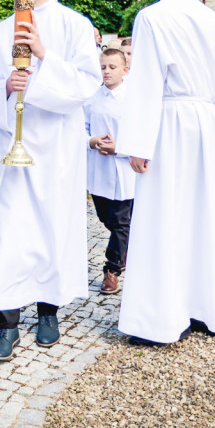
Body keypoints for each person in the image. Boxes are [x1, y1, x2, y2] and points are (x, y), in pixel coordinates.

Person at [0, 0, 101, 361]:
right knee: (11, 229)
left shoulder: (75, 25)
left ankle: (49, 310)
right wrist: (6, 86)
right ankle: (7, 323)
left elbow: (87, 84)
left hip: (59, 146)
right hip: (16, 145)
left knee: (53, 228)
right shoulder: (1, 28)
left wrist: (46, 56)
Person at [117, 0, 215, 345]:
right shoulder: (210, 17)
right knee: (206, 214)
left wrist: (137, 143)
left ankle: (160, 321)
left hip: (169, 120)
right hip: (205, 117)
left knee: (163, 216)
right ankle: (208, 310)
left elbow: (146, 80)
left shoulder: (150, 17)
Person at [84, 48, 135, 295]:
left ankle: (112, 269)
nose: (107, 71)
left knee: (121, 223)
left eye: (112, 67)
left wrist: (120, 147)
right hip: (99, 170)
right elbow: (79, 127)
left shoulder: (133, 98)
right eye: (103, 67)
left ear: (125, 69)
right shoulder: (92, 97)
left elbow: (142, 133)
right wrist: (92, 141)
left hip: (125, 170)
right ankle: (127, 249)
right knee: (107, 219)